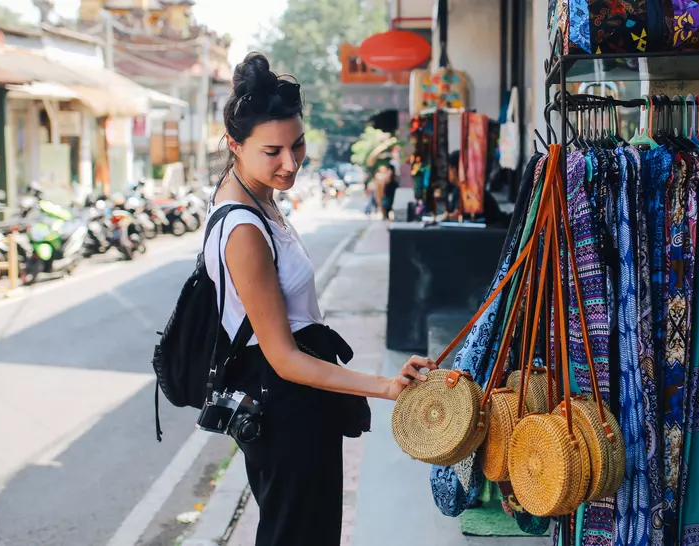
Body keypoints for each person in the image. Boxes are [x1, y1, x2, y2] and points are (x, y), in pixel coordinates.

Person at [206, 52, 437, 545]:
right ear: (235, 145)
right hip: (284, 406)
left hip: (296, 401)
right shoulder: (242, 228)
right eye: (272, 151)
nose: (290, 163)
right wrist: (383, 386)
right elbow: (285, 358)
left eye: (298, 144)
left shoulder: (257, 199)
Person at [441, 150, 510, 226]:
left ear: (454, 170)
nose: (447, 173)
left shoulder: (471, 191)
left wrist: (449, 216)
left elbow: (460, 215)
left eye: (449, 169)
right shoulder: (458, 190)